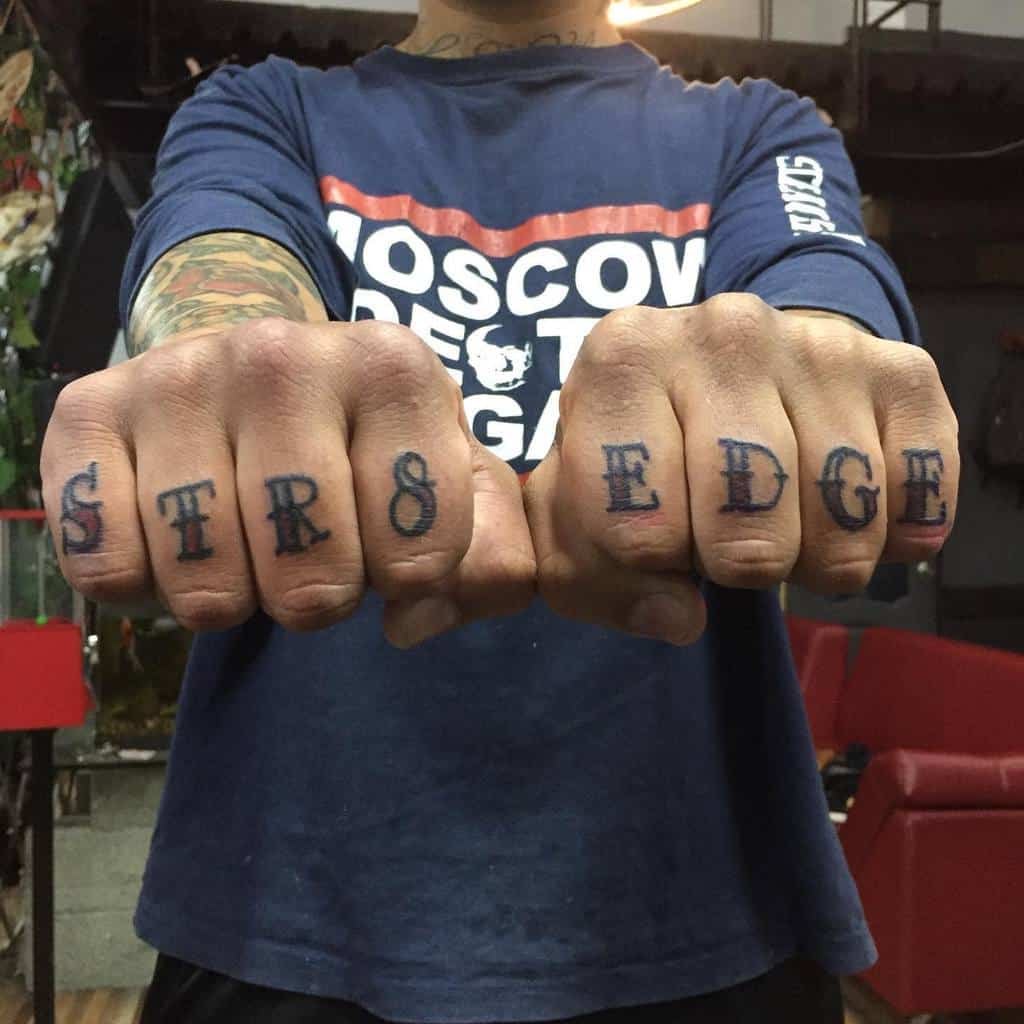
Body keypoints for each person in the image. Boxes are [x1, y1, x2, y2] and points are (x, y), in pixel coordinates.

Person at [41, 0, 959, 1020]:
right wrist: (227, 364)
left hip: (702, 912)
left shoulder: (760, 130)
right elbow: (219, 266)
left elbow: (813, 288)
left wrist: (804, 363)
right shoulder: (260, 109)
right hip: (290, 914)